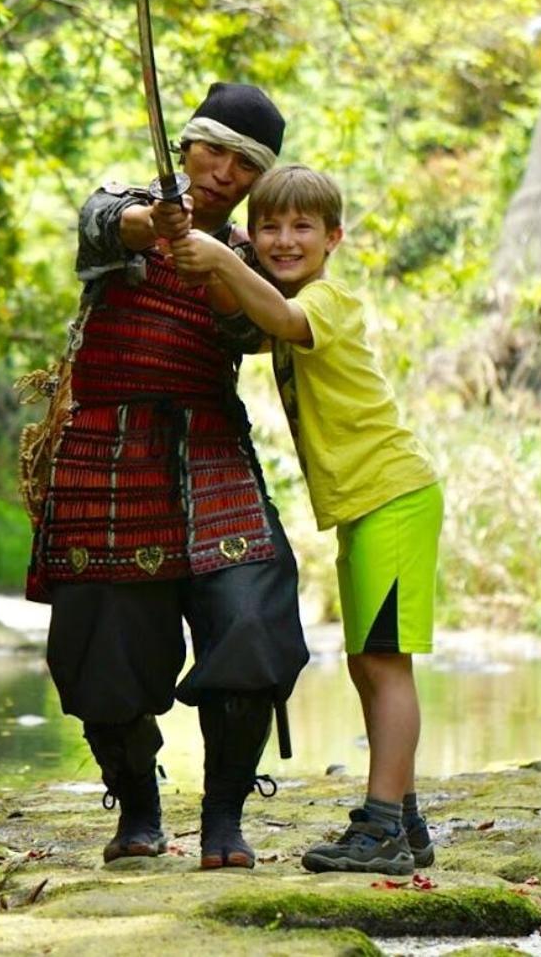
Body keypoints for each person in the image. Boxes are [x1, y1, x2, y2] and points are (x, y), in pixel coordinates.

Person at [27, 82, 310, 871]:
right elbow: (104, 228)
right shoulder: (121, 204)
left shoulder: (256, 254)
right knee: (101, 644)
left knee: (254, 623)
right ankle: (140, 810)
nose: (223, 171)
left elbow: (260, 326)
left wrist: (216, 262)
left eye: (245, 163)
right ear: (187, 145)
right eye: (213, 149)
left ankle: (225, 818)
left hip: (211, 450)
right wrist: (155, 227)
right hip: (105, 454)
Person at [171, 163, 443, 875]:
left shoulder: (328, 301)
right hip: (365, 508)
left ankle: (381, 825)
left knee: (386, 666)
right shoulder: (284, 298)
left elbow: (282, 318)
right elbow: (247, 316)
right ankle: (405, 822)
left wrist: (226, 257)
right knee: (367, 664)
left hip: (391, 495)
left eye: (301, 227)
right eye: (269, 227)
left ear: (334, 238)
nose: (284, 239)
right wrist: (197, 249)